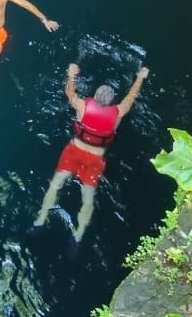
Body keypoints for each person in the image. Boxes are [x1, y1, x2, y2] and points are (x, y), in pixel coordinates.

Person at [33, 62, 149, 242]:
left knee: (55, 185)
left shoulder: (82, 106)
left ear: (94, 97)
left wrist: (71, 74)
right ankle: (77, 236)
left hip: (73, 151)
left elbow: (69, 93)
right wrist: (140, 77)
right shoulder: (119, 112)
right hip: (95, 160)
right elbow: (131, 97)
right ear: (111, 102)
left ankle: (39, 221)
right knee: (88, 198)